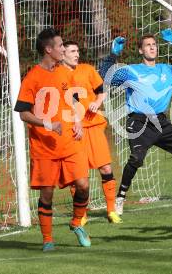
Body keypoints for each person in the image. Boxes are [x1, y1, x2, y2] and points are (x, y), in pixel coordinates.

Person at [99, 29, 172, 215]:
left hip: (161, 122)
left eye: (154, 45)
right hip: (139, 122)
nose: (152, 47)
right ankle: (120, 198)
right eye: (147, 45)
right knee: (137, 159)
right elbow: (106, 76)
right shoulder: (131, 71)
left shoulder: (167, 70)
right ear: (141, 51)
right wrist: (113, 54)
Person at [14, 28, 91, 252]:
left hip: (70, 142)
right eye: (59, 46)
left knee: (83, 185)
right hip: (44, 146)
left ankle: (77, 223)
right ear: (49, 49)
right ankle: (47, 239)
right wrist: (47, 124)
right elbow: (22, 113)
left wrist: (77, 121)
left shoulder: (66, 73)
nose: (63, 49)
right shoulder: (32, 78)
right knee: (47, 193)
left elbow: (75, 101)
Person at [62, 40, 122, 224]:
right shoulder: (57, 74)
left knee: (105, 167)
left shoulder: (87, 69)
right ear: (62, 53)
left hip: (94, 125)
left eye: (77, 50)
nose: (76, 54)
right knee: (78, 174)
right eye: (72, 51)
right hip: (72, 129)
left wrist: (97, 101)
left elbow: (102, 91)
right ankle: (82, 215)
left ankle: (111, 210)